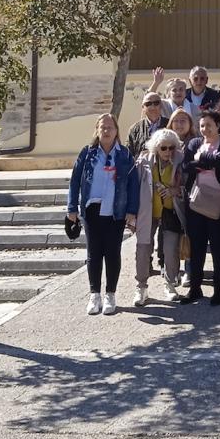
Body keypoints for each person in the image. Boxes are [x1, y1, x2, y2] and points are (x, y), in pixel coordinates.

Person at [66, 114, 139, 316]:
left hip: (115, 211)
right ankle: (94, 294)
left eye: (110, 127)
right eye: (103, 127)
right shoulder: (87, 153)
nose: (106, 131)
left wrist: (132, 211)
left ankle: (110, 294)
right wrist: (71, 208)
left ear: (116, 131)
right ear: (97, 131)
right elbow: (75, 181)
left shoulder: (124, 155)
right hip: (92, 210)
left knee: (112, 253)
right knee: (94, 253)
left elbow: (134, 185)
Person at [179, 111, 220, 305]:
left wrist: (201, 159)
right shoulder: (194, 143)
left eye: (209, 125)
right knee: (197, 247)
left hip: (219, 202)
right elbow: (187, 165)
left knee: (218, 246)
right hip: (196, 202)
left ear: (219, 125)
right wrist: (205, 162)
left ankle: (219, 289)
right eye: (202, 126)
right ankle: (195, 288)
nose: (205, 129)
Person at [134, 128, 186, 304]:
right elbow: (133, 187)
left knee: (171, 250)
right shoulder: (144, 161)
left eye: (172, 147)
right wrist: (131, 214)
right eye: (163, 148)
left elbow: (189, 186)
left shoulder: (181, 160)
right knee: (143, 248)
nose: (168, 151)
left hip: (171, 212)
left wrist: (174, 190)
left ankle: (170, 285)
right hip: (148, 212)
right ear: (156, 148)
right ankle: (141, 287)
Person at [126, 89, 171, 157]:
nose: (152, 107)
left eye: (156, 103)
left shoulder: (170, 125)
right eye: (148, 104)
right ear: (143, 107)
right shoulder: (135, 129)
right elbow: (128, 154)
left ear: (161, 106)